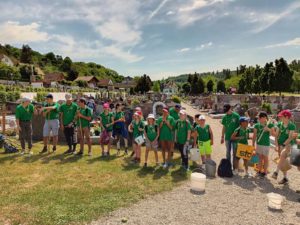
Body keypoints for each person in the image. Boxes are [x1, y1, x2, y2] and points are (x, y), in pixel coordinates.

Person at [272, 110, 296, 184]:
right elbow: (276, 135)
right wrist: (276, 145)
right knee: (282, 161)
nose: (280, 118)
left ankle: (276, 172)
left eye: (282, 116)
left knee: (282, 155)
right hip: (279, 144)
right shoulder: (280, 124)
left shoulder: (292, 125)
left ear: (287, 117)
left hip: (288, 144)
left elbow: (290, 138)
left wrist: (283, 145)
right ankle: (285, 178)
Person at [252, 111, 275, 178]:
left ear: (264, 118)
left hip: (266, 144)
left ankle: (264, 172)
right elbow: (254, 136)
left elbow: (273, 134)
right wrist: (253, 145)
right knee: (259, 158)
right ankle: (259, 171)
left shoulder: (270, 125)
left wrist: (268, 129)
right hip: (259, 144)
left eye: (259, 117)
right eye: (258, 117)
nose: (258, 119)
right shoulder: (256, 125)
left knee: (265, 158)